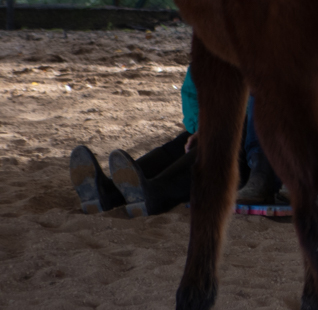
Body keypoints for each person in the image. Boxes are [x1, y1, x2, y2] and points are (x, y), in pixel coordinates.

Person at [69, 70, 275, 217]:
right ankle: (110, 192)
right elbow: (194, 89)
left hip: (263, 155)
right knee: (183, 143)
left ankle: (157, 194)